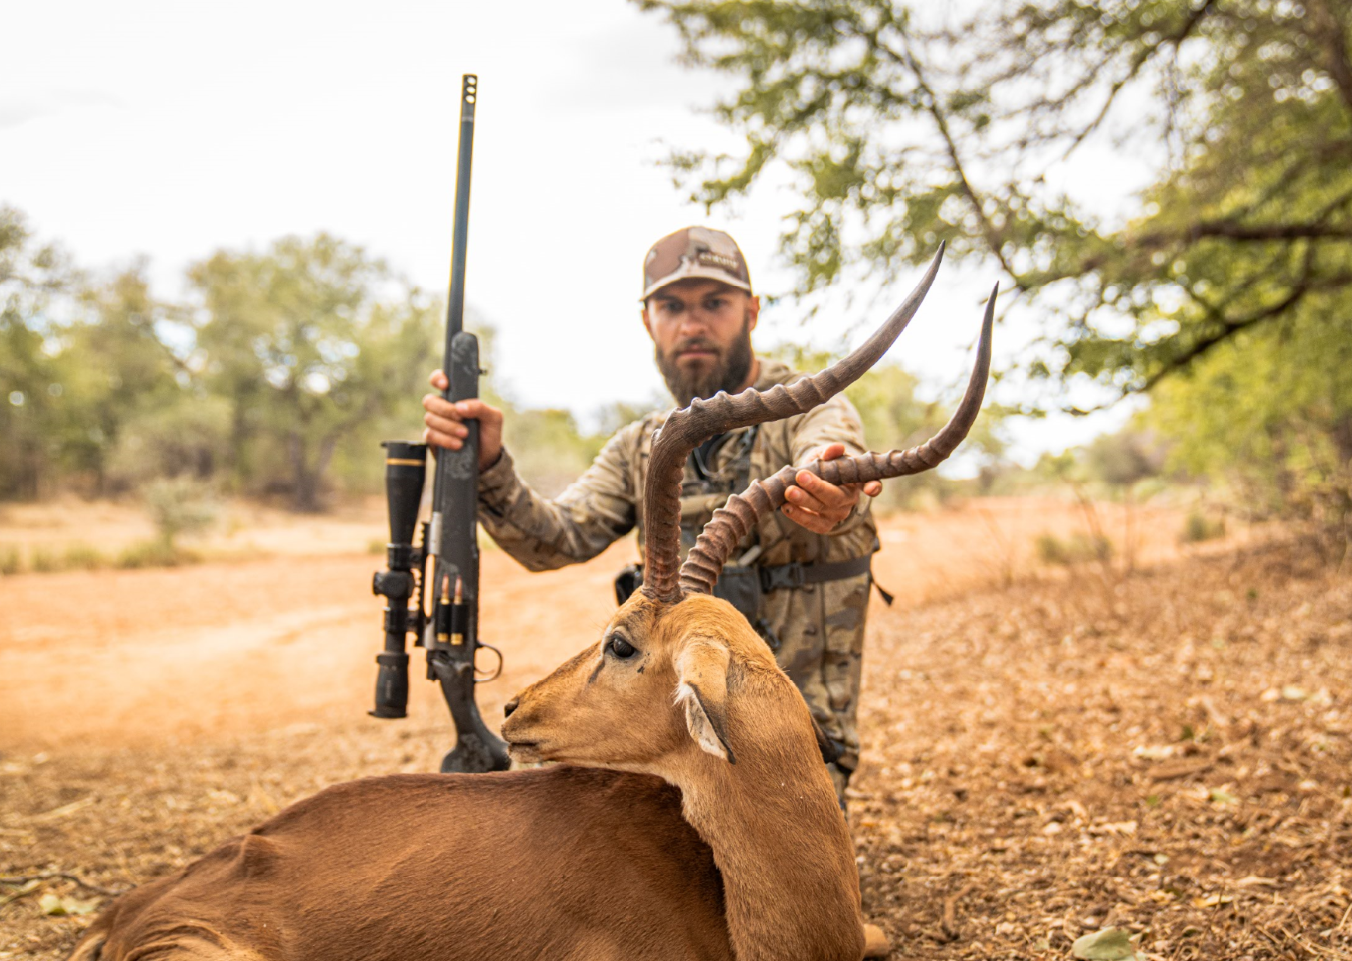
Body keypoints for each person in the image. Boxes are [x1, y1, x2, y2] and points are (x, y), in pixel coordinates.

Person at [422, 226, 885, 799]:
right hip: (666, 735)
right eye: (672, 307)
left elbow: (832, 453)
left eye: (714, 304)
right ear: (648, 321)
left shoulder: (808, 406)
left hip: (791, 743)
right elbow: (556, 539)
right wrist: (489, 464)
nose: (692, 325)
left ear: (752, 312)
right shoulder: (640, 446)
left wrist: (831, 484)